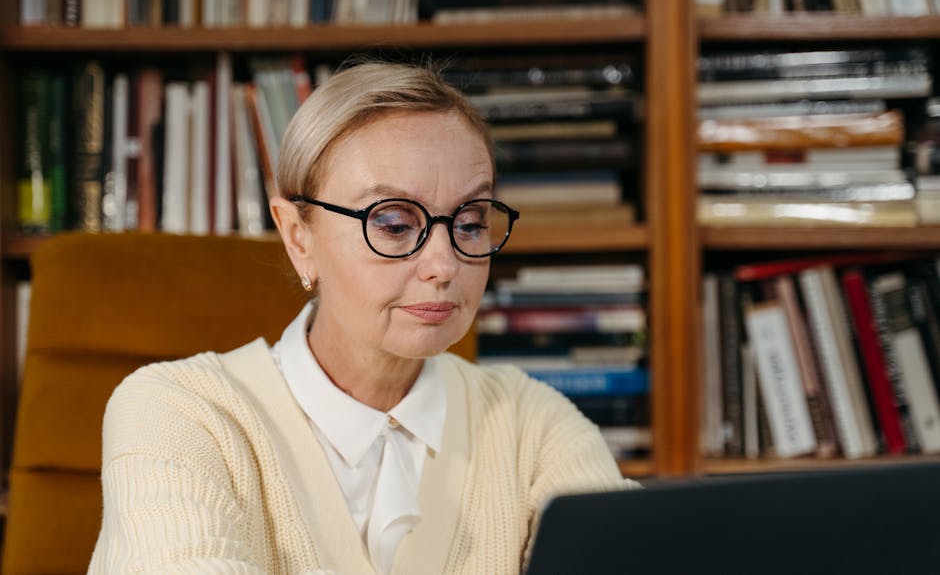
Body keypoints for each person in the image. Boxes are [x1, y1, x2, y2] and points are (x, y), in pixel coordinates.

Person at [88, 61, 637, 575]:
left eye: (469, 222)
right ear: (298, 237)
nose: (445, 265)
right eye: (395, 224)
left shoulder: (531, 422)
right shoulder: (177, 412)